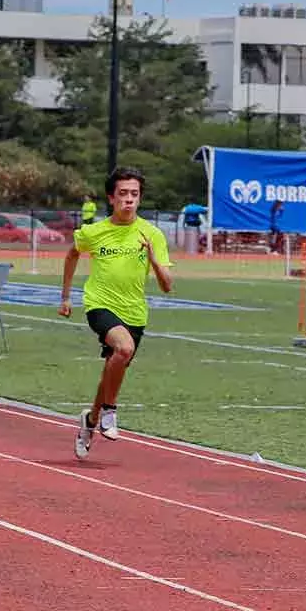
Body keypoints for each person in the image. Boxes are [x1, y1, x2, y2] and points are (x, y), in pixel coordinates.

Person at [58, 168, 174, 460]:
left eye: (134, 194)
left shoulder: (152, 234)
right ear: (111, 198)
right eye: (123, 194)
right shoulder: (94, 232)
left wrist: (152, 259)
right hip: (99, 304)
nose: (129, 200)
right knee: (124, 348)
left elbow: (167, 285)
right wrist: (66, 296)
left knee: (114, 366)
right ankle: (110, 411)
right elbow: (72, 254)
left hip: (134, 312)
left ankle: (91, 420)